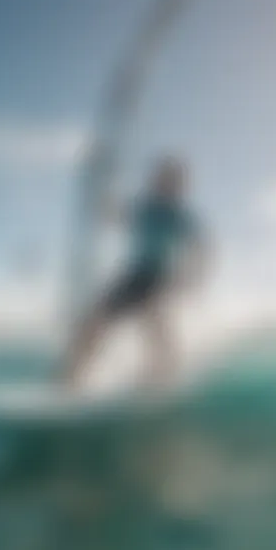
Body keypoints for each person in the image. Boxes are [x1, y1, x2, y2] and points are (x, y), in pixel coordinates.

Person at [62, 156, 210, 390]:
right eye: (162, 178)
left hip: (159, 277)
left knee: (154, 322)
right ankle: (70, 379)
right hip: (133, 276)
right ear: (156, 181)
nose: (166, 184)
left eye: (173, 181)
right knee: (94, 321)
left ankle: (165, 375)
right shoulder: (144, 207)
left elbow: (201, 247)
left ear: (179, 186)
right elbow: (111, 215)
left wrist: (193, 277)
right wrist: (97, 183)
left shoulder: (179, 216)